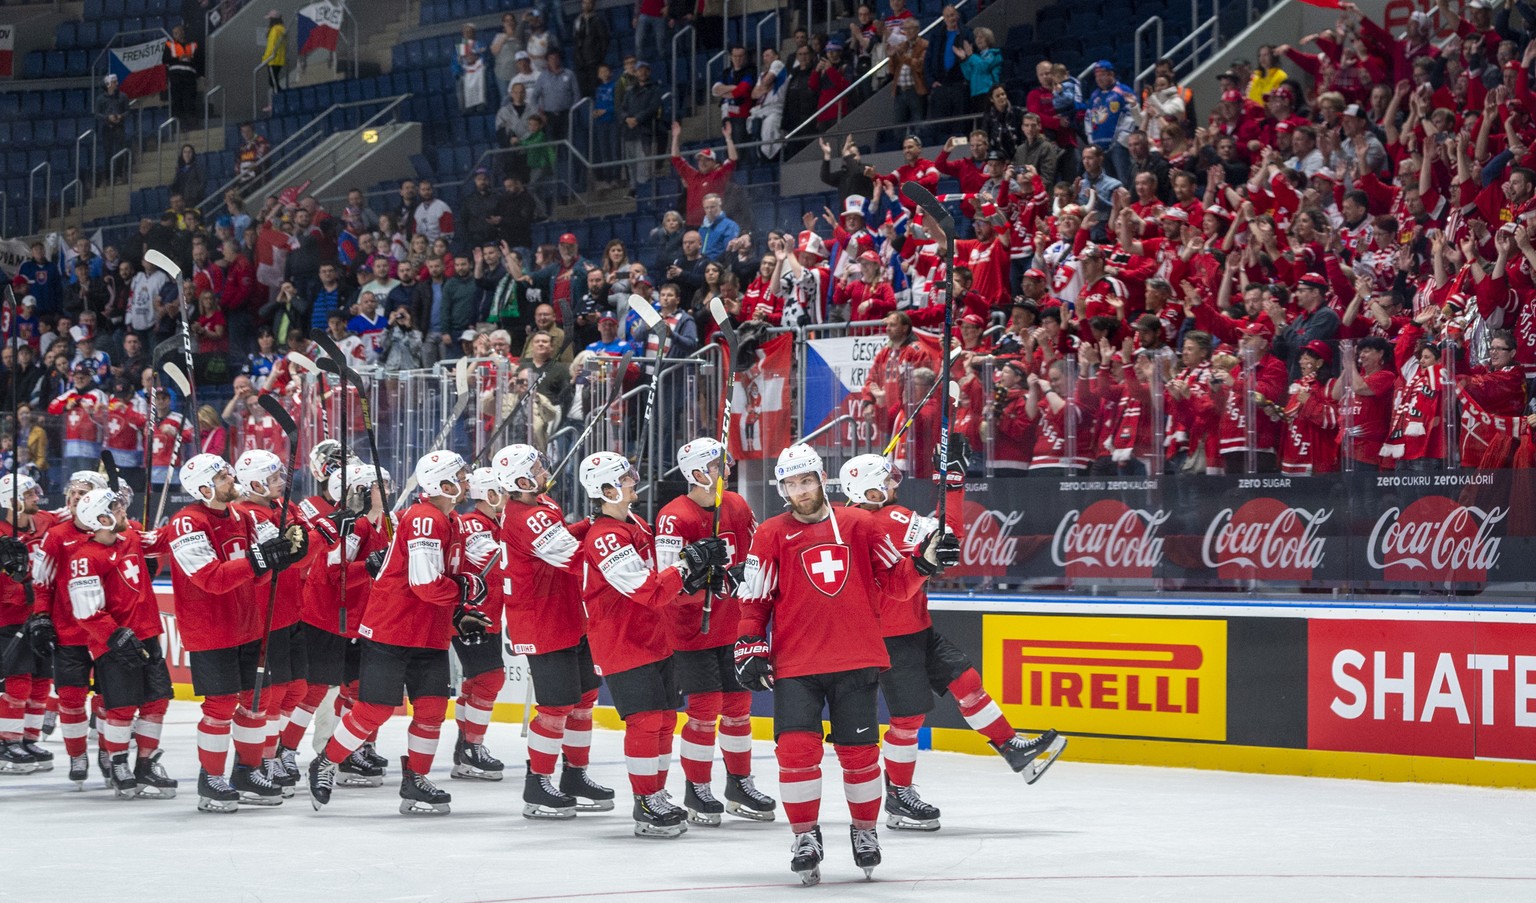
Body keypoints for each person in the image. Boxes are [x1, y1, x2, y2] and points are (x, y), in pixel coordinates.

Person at [734, 443, 954, 884]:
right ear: (782, 489)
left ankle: (865, 831)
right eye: (790, 484)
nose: (800, 491)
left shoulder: (859, 523)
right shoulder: (771, 534)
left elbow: (896, 584)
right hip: (795, 664)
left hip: (856, 658)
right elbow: (754, 600)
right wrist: (749, 644)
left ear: (821, 479)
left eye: (806, 480)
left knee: (859, 756)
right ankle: (804, 835)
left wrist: (925, 562)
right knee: (796, 753)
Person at [306, 451, 481, 816]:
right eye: (460, 476)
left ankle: (415, 780)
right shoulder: (424, 519)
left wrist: (462, 606)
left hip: (429, 632)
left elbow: (445, 578)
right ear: (443, 484)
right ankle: (326, 761)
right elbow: (424, 583)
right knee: (375, 710)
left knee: (432, 709)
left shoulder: (449, 519)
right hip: (393, 628)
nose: (467, 481)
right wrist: (462, 590)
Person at [575, 450, 727, 837]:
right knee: (645, 722)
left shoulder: (634, 523)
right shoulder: (607, 537)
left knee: (663, 720)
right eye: (625, 476)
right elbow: (648, 590)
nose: (633, 479)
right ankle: (645, 801)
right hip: (623, 642)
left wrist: (698, 573)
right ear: (607, 489)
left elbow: (660, 578)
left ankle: (656, 793)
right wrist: (689, 563)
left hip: (653, 638)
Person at [165, 453, 307, 811]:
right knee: (220, 706)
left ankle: (247, 771)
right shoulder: (186, 523)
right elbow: (211, 579)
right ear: (203, 489)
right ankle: (210, 779)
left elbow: (257, 572)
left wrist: (278, 557)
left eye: (229, 473)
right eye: (224, 477)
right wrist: (259, 559)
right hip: (210, 630)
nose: (232, 480)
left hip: (248, 624)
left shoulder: (241, 516)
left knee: (256, 703)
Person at [653, 438, 778, 825]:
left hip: (732, 625)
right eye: (715, 465)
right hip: (691, 630)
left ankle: (739, 783)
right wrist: (710, 584)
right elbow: (666, 586)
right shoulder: (674, 517)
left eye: (723, 463)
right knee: (705, 712)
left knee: (740, 710)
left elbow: (755, 552)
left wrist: (748, 573)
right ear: (694, 472)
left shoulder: (737, 505)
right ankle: (697, 788)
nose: (724, 471)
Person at [490, 444, 614, 817]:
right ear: (522, 479)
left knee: (584, 696)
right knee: (556, 705)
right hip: (541, 620)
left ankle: (574, 775)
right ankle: (537, 785)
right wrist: (613, 541)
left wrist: (589, 523)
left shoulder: (542, 506)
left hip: (565, 612)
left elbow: (563, 539)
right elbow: (575, 558)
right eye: (537, 466)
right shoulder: (527, 517)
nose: (545, 468)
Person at [60, 488, 179, 799]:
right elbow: (86, 611)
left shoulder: (132, 539)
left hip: (148, 635)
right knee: (122, 707)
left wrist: (191, 516)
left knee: (156, 702)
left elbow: (164, 538)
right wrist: (115, 635)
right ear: (101, 518)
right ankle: (118, 763)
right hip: (114, 645)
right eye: (115, 507)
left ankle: (146, 764)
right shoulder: (84, 560)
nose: (124, 510)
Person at [448, 468, 509, 781]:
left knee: (476, 682)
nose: (508, 495)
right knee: (490, 678)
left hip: (487, 613)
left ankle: (464, 749)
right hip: (471, 615)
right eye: (503, 490)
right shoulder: (473, 523)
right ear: (489, 494)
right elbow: (497, 559)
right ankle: (473, 747)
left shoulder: (495, 522)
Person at [0, 474, 58, 773]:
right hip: (9, 620)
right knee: (18, 682)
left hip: (42, 618)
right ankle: (7, 741)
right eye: (30, 494)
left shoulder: (47, 522)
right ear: (11, 501)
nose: (37, 497)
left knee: (41, 681)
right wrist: (18, 585)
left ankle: (29, 738)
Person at [260, 11, 286, 104]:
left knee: (273, 82)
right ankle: (280, 100)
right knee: (273, 81)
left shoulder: (275, 30)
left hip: (273, 60)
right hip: (279, 59)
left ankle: (280, 102)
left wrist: (265, 59)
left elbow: (271, 46)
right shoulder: (282, 29)